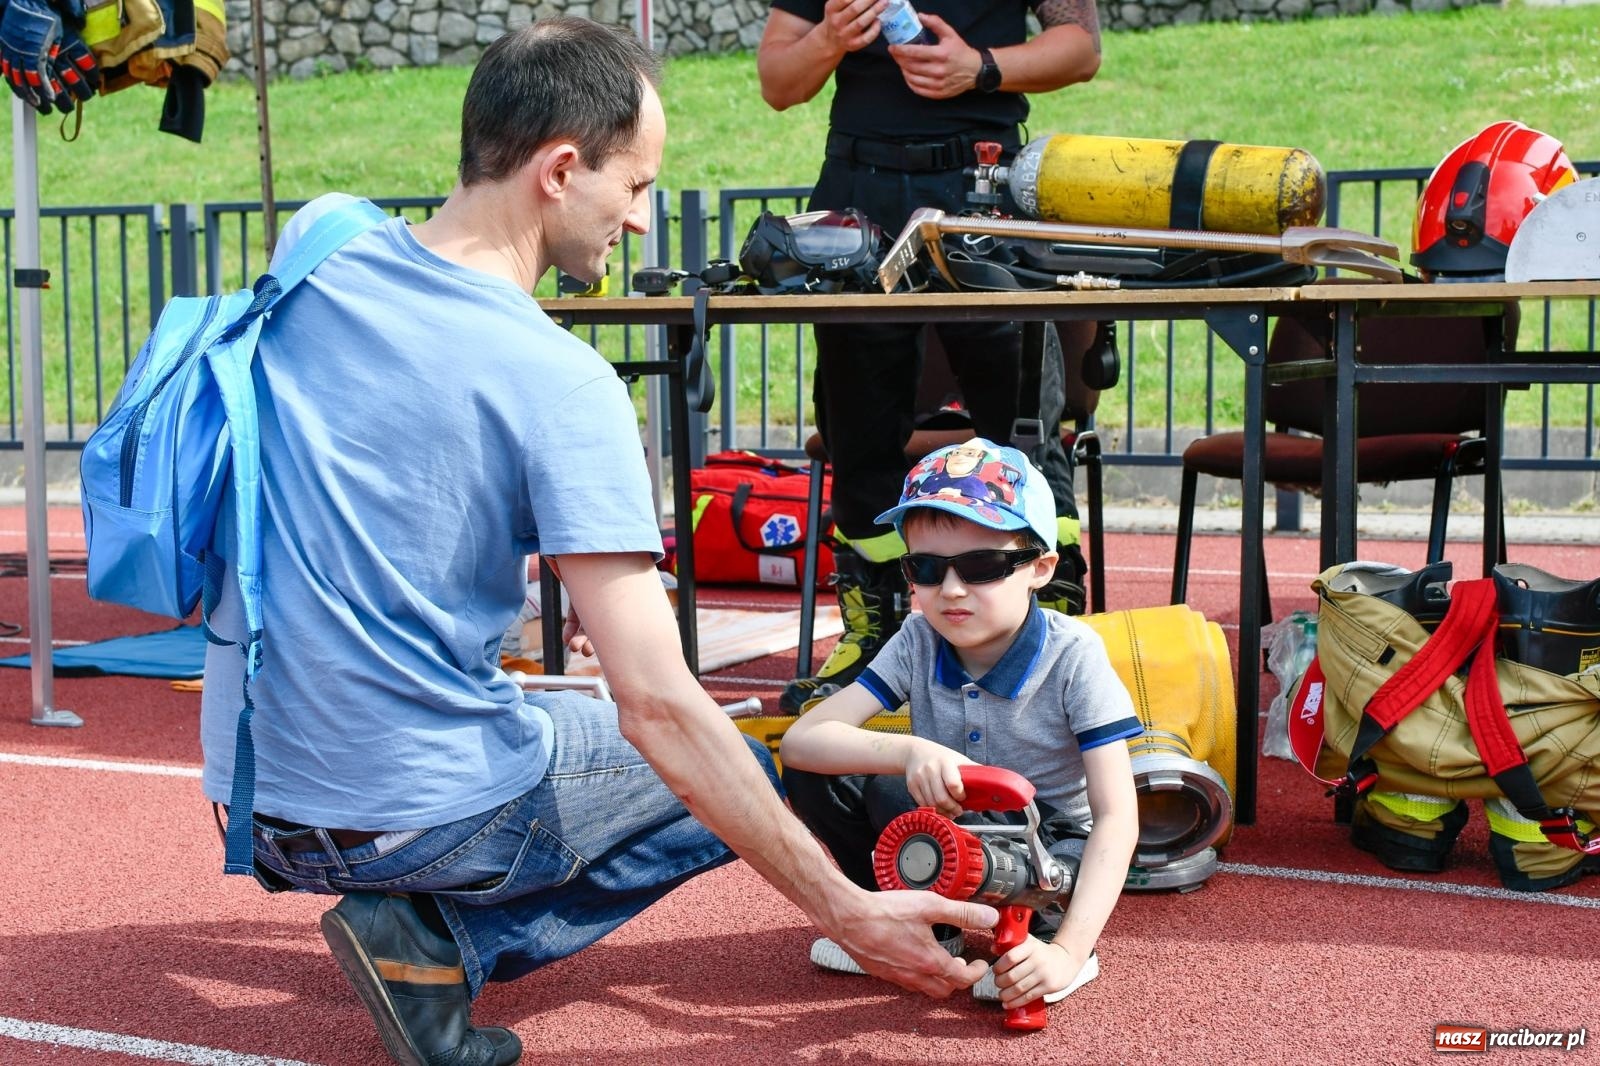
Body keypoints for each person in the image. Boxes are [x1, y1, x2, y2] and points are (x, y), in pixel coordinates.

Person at [198, 18, 1001, 1066]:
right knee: (746, 760)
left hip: (252, 799)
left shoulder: (322, 240)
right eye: (635, 185)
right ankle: (443, 946)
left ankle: (422, 916)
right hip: (411, 815)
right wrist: (845, 910)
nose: (641, 216)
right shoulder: (561, 382)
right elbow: (660, 708)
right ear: (559, 170)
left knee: (569, 713)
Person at [757, 0, 1105, 714]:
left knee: (1024, 433)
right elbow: (778, 82)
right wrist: (830, 37)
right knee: (859, 436)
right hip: (857, 190)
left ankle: (1052, 641)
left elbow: (1081, 49)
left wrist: (981, 68)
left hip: (985, 185)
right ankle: (877, 642)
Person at [778, 438, 1141, 1008]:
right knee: (833, 774)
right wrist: (911, 751)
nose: (950, 589)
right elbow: (802, 741)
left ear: (1040, 568)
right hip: (954, 827)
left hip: (1044, 844)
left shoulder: (1073, 656)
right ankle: (919, 924)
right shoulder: (918, 639)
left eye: (981, 566)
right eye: (925, 568)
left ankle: (1049, 943)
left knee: (919, 798)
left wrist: (1069, 952)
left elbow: (1117, 817)